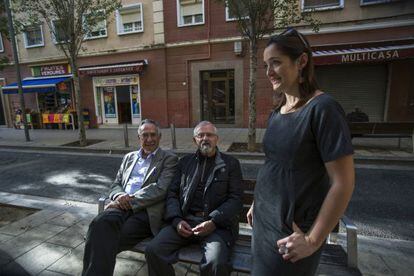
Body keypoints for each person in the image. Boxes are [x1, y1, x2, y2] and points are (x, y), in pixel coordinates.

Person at [247, 28, 355, 276]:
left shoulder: (324, 109)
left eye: (276, 63)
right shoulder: (278, 112)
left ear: (302, 61)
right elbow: (273, 164)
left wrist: (313, 240)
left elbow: (343, 182)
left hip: (292, 234)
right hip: (263, 224)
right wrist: (257, 202)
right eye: (266, 65)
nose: (269, 72)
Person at [145, 121, 243, 276]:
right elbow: (172, 193)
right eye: (200, 135)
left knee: (215, 263)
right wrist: (177, 220)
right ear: (194, 140)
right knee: (153, 250)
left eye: (209, 135)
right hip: (185, 222)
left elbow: (236, 199)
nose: (205, 138)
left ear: (217, 139)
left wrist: (213, 221)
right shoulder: (184, 162)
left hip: (216, 227)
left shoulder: (231, 164)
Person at [82, 119, 178, 276]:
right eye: (145, 135)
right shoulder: (129, 157)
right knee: (98, 224)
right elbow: (116, 183)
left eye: (153, 135)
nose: (149, 139)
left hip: (145, 212)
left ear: (159, 137)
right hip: (121, 206)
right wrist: (119, 195)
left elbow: (160, 189)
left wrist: (127, 200)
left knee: (103, 241)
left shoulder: (169, 159)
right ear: (138, 137)